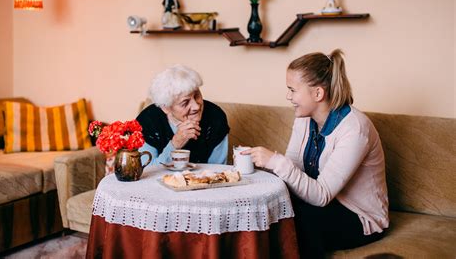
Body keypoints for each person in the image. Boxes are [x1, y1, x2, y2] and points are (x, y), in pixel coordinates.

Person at [241, 49, 389, 258]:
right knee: (267, 210)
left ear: (318, 93)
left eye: (292, 90)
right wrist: (261, 168)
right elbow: (293, 169)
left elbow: (321, 196)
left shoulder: (355, 129)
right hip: (318, 204)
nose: (288, 96)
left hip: (360, 216)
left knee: (300, 221)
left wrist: (275, 161)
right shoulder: (304, 118)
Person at [136, 64, 229, 165]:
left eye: (197, 95)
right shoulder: (148, 121)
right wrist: (175, 144)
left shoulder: (216, 116)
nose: (196, 107)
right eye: (185, 102)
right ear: (166, 108)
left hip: (203, 180)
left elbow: (218, 171)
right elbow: (147, 171)